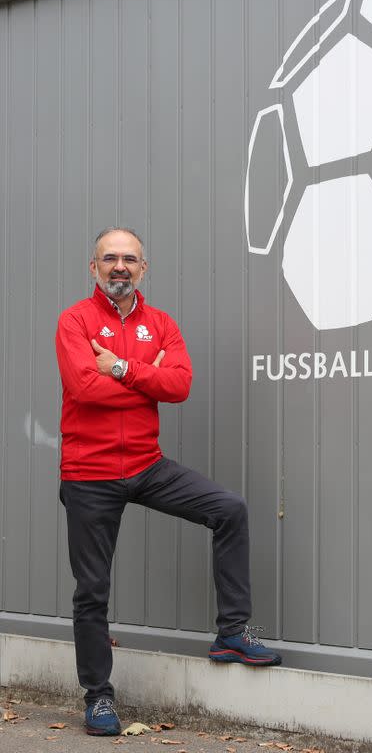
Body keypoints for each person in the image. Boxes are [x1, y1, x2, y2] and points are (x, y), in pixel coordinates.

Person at [55, 227, 281, 737]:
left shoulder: (161, 324)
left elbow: (179, 385)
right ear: (93, 268)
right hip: (89, 473)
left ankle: (232, 634)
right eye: (109, 258)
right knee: (92, 590)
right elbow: (82, 388)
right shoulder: (75, 320)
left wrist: (120, 368)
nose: (119, 266)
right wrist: (143, 378)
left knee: (229, 509)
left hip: (147, 465)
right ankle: (98, 698)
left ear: (143, 268)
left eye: (129, 259)